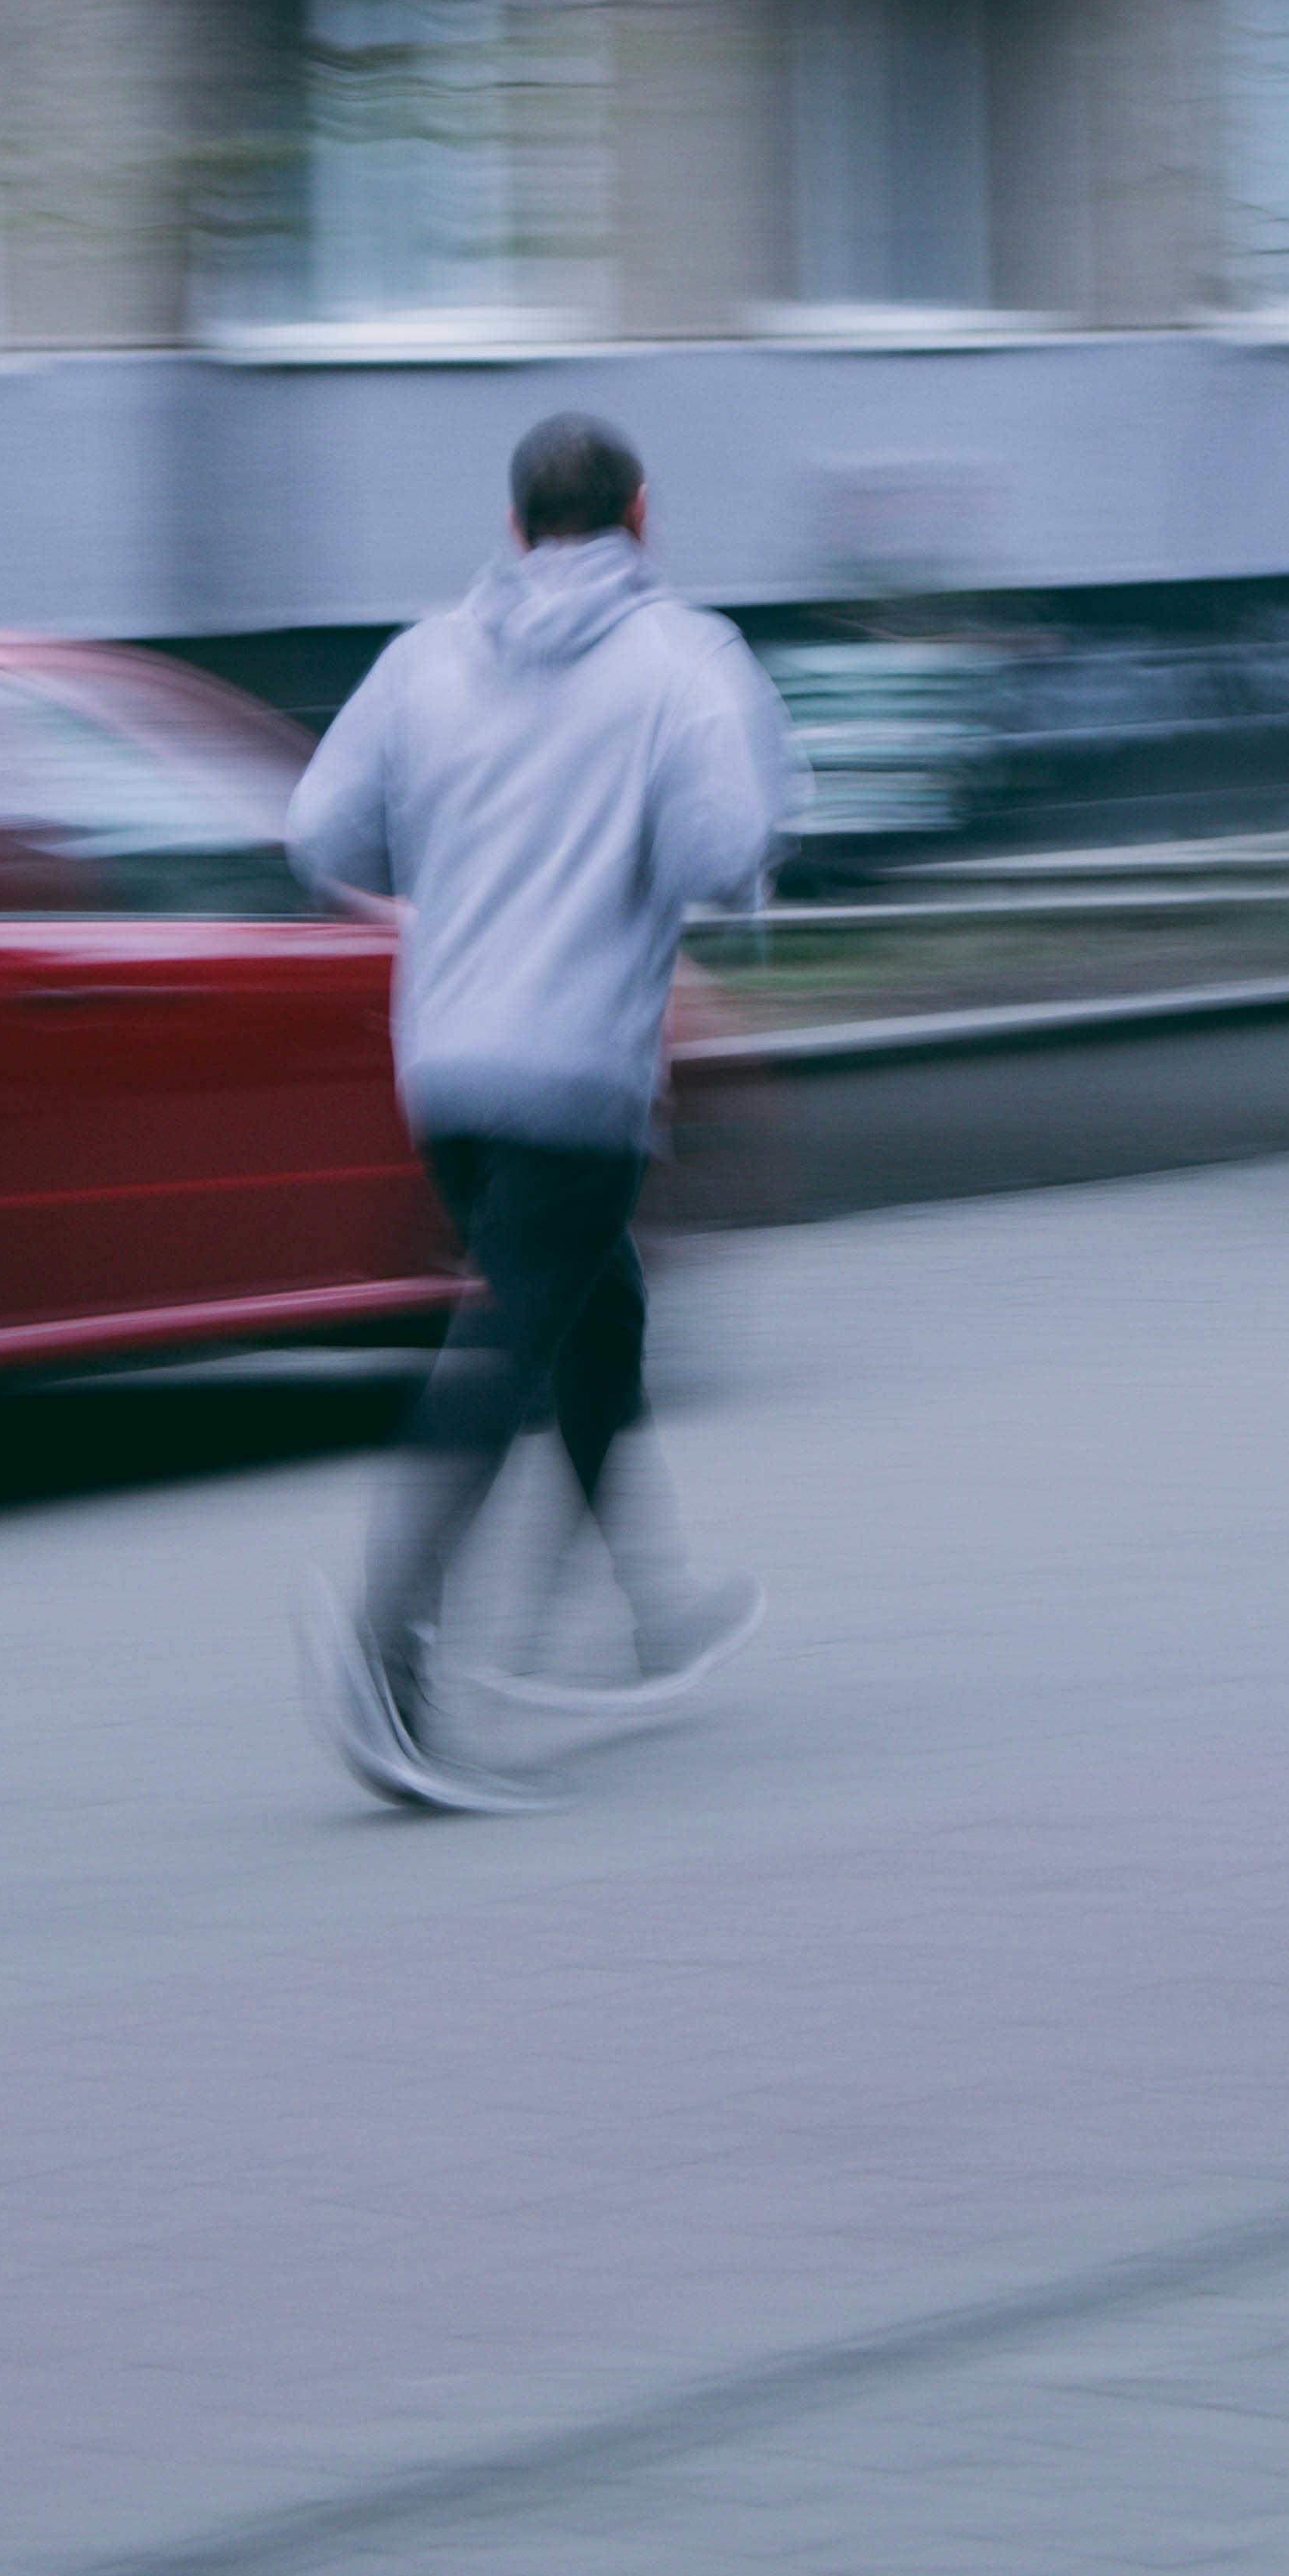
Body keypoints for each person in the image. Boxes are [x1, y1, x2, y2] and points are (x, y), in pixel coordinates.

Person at [284, 411, 803, 1812]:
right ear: (643, 514)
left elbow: (319, 836)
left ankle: (647, 1613)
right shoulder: (684, 660)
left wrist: (469, 842)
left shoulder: (421, 658)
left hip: (443, 1066)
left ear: (515, 528)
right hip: (575, 1072)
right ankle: (392, 1658)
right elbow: (714, 849)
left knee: (597, 1315)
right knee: (512, 1344)